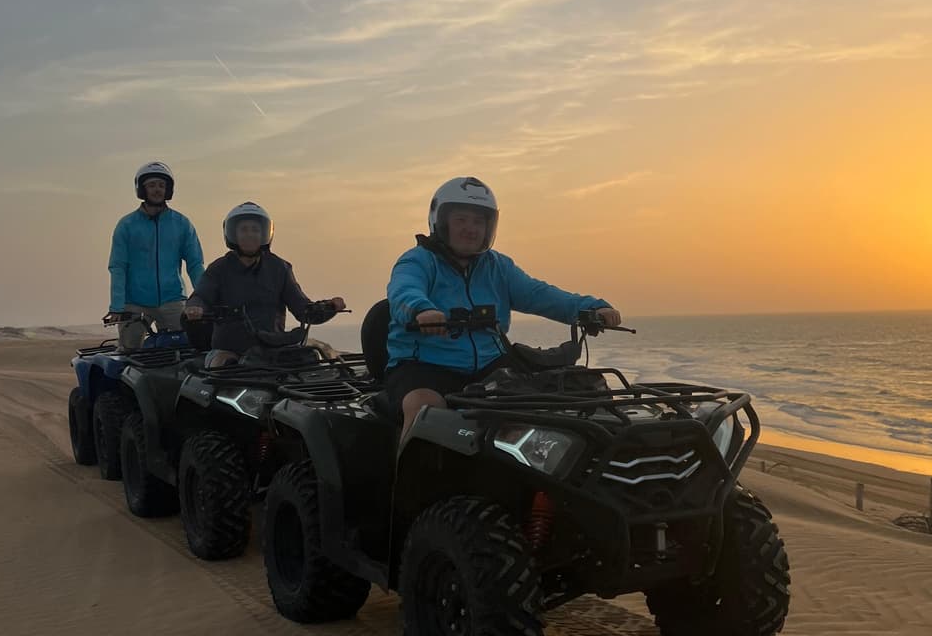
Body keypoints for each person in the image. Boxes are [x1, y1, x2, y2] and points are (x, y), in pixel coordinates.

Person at [386, 176, 621, 445]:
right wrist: (421, 310)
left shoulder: (498, 266)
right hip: (425, 366)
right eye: (461, 219)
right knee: (424, 409)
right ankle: (412, 484)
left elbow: (540, 294)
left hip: (490, 364)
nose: (470, 229)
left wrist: (591, 307)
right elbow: (403, 291)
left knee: (540, 407)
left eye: (478, 221)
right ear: (441, 221)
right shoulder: (418, 260)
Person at [184, 202, 346, 367]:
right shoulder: (219, 268)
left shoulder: (280, 268)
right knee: (222, 363)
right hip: (232, 349)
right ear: (233, 234)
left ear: (265, 234)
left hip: (272, 349)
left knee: (313, 360)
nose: (250, 235)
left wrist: (330, 306)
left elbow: (303, 309)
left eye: (255, 230)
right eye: (244, 230)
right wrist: (195, 308)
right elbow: (201, 296)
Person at [107, 161, 205, 349]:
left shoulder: (182, 224)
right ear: (142, 189)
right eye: (151, 185)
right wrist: (117, 306)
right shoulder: (127, 225)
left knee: (185, 350)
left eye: (161, 185)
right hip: (134, 303)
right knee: (129, 353)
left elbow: (195, 264)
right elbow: (118, 266)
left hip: (173, 299)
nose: (157, 190)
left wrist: (204, 299)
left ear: (168, 190)